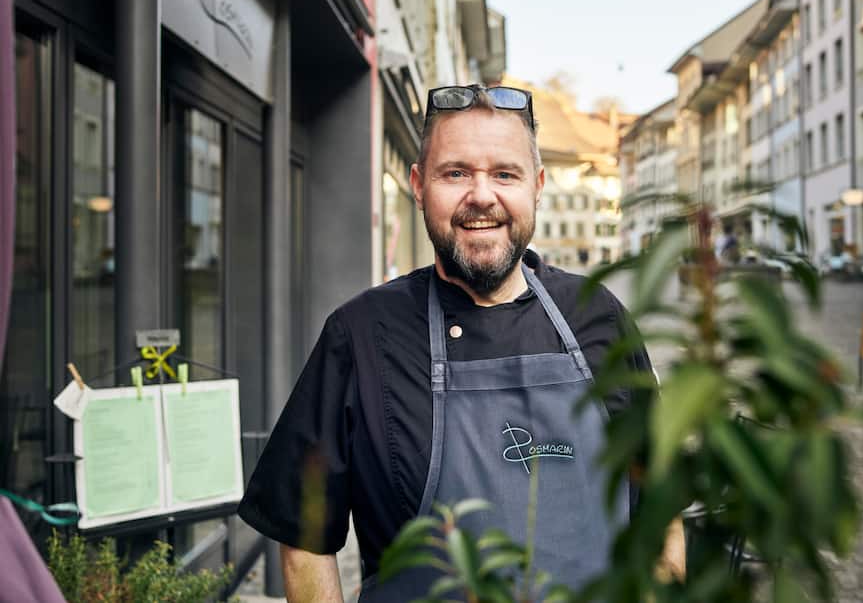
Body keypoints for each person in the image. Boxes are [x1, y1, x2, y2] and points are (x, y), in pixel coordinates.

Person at [238, 84, 685, 602]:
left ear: (536, 186)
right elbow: (304, 538)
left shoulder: (598, 316)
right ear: (418, 185)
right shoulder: (360, 335)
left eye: (504, 173)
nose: (481, 195)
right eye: (455, 173)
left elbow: (661, 495)